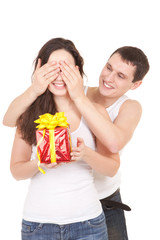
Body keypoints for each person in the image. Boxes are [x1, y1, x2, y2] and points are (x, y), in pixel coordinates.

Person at [3, 43, 149, 239]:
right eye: (108, 68)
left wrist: (84, 153)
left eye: (121, 76)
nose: (109, 78)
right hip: (47, 213)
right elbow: (9, 121)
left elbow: (114, 145)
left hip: (100, 201)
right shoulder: (68, 92)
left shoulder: (116, 106)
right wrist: (35, 89)